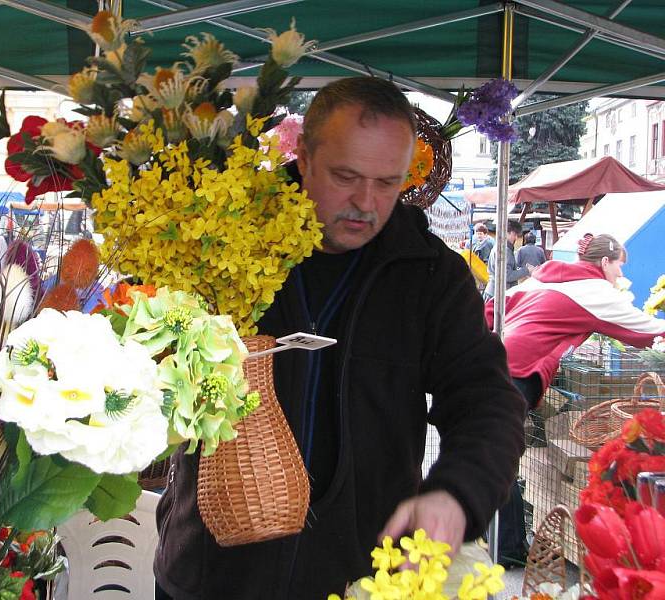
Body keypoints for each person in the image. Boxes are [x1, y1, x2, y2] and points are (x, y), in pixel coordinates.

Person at [154, 77, 527, 599]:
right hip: (210, 569)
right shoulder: (219, 235)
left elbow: (487, 399)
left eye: (387, 183)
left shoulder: (429, 275)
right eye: (345, 176)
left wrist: (456, 495)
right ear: (303, 157)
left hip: (355, 574)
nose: (366, 204)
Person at [485, 232, 665, 567]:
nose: (620, 277)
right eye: (618, 268)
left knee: (492, 451)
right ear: (605, 262)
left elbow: (493, 306)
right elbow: (646, 332)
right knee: (499, 455)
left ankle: (497, 541)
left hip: (491, 362)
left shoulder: (546, 275)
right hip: (517, 372)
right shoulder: (595, 291)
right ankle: (505, 547)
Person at [483, 220, 528, 301]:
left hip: (493, 291)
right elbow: (507, 276)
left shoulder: (500, 246)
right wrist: (526, 270)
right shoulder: (505, 250)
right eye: (514, 234)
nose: (516, 238)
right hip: (497, 295)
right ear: (506, 233)